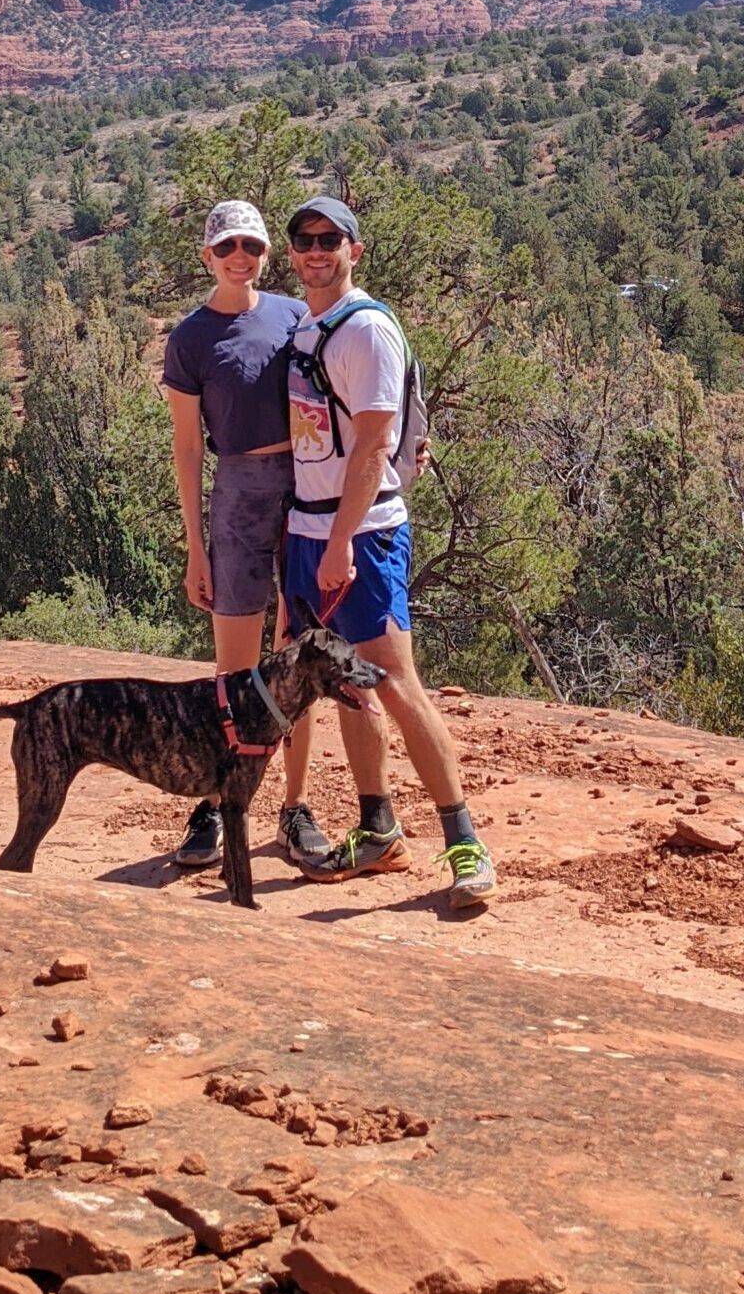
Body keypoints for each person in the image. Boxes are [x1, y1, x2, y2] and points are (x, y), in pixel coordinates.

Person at [280, 195, 497, 910]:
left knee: (397, 682)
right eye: (304, 240)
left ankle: (464, 842)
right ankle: (377, 826)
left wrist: (340, 540)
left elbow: (374, 442)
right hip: (309, 530)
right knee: (347, 682)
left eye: (329, 239)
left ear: (354, 249)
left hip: (359, 533)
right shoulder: (310, 324)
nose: (316, 250)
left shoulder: (364, 328)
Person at [161, 199, 333, 873]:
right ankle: (216, 803)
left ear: (266, 255)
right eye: (228, 246)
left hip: (302, 491)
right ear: (206, 255)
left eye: (253, 247)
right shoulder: (190, 338)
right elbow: (185, 447)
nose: (241, 257)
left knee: (298, 661)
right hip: (234, 499)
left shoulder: (294, 315)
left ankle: (293, 807)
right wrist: (194, 546)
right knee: (233, 673)